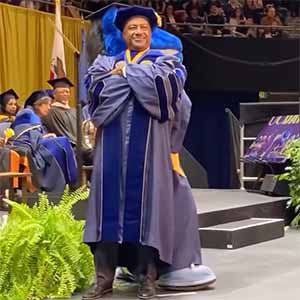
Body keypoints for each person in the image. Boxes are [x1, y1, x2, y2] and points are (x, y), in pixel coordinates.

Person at [83, 5, 215, 300]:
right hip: (111, 152)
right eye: (132, 28)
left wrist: (127, 72)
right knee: (106, 213)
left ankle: (147, 278)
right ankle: (103, 278)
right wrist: (135, 79)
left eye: (143, 28)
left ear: (150, 33)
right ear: (124, 34)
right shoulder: (105, 62)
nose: (138, 32)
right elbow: (96, 90)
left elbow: (166, 91)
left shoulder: (166, 63)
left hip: (149, 155)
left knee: (148, 214)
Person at [9, 90, 77, 193]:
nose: (49, 108)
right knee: (61, 143)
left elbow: (35, 135)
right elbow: (26, 136)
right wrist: (44, 138)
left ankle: (69, 183)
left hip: (35, 145)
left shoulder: (33, 115)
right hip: (28, 149)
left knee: (61, 142)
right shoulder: (28, 114)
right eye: (47, 105)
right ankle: (70, 184)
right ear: (39, 105)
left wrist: (45, 136)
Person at [42, 77, 93, 164]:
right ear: (54, 94)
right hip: (68, 148)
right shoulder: (51, 112)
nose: (65, 94)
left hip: (82, 147)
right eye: (62, 92)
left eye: (67, 92)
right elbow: (59, 132)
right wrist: (77, 144)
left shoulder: (74, 111)